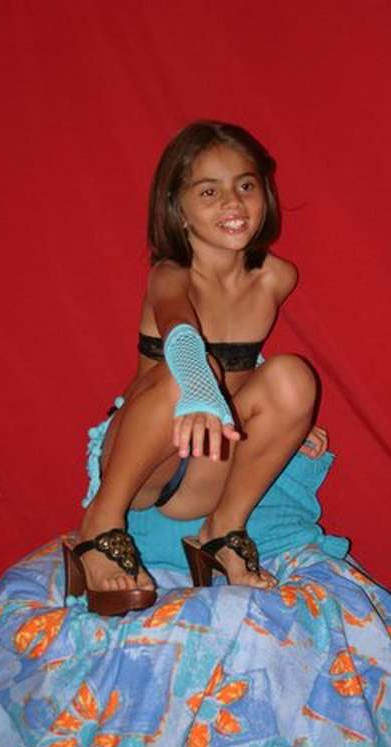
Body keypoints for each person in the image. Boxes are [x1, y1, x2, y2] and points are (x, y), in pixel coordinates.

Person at [64, 120, 329, 615]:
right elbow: (182, 333)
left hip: (209, 458)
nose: (233, 203)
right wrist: (200, 388)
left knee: (293, 378)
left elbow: (241, 359)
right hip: (144, 458)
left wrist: (280, 414)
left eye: (245, 186)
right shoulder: (170, 275)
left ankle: (221, 533)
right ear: (178, 208)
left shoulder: (276, 278)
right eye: (209, 192)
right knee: (189, 367)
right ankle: (100, 524)